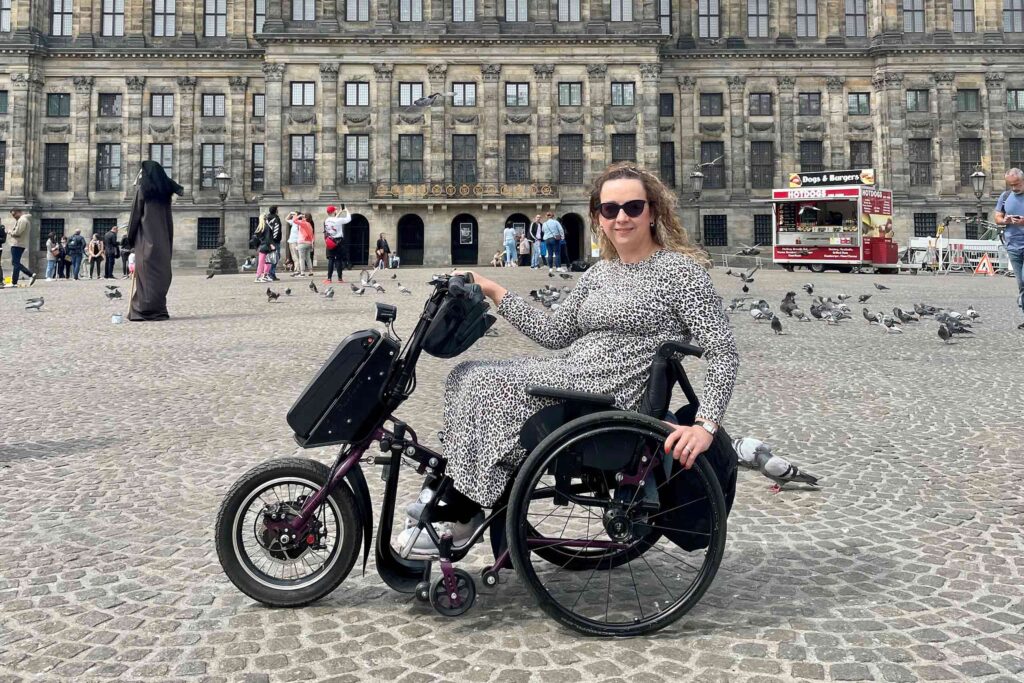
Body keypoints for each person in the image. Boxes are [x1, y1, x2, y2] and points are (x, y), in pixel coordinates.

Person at [395, 162, 740, 554]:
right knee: (466, 373)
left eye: (633, 207)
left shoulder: (681, 273)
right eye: (610, 210)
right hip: (574, 372)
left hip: (614, 390)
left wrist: (705, 425)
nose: (621, 217)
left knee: (487, 384)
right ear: (598, 217)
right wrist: (493, 289)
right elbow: (554, 333)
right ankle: (459, 492)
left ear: (653, 211)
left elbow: (723, 351)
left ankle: (463, 511)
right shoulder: (601, 273)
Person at [126, 160, 183, 321]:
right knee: (161, 277)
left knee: (145, 278)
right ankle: (158, 309)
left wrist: (129, 238)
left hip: (146, 241)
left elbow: (135, 216)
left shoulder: (143, 191)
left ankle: (143, 310)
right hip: (164, 241)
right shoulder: (165, 193)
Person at [993, 167, 1024, 329]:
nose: (1014, 188)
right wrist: (1006, 220)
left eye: (1016, 184)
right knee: (1021, 283)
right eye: (1010, 185)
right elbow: (997, 217)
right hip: (1013, 245)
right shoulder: (1005, 197)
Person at [8, 209, 37, 287]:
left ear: (19, 212)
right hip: (19, 244)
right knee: (16, 263)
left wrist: (10, 232)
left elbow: (18, 233)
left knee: (15, 263)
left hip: (18, 244)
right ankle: (14, 281)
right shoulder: (24, 220)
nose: (14, 216)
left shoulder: (22, 220)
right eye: (12, 215)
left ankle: (30, 274)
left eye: (14, 214)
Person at [324, 205, 352, 283]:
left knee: (331, 259)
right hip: (339, 241)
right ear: (333, 212)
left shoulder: (326, 220)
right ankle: (340, 278)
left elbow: (334, 219)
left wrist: (339, 212)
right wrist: (346, 210)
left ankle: (329, 278)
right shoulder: (338, 220)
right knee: (338, 260)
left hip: (330, 241)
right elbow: (348, 219)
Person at [253, 213, 274, 283]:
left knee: (263, 262)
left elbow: (255, 237)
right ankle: (262, 275)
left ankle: (261, 276)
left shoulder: (260, 227)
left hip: (262, 246)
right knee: (268, 262)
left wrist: (257, 246)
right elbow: (268, 238)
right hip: (266, 246)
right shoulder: (267, 226)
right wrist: (270, 244)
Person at [266, 206, 283, 281]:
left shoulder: (267, 218)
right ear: (276, 211)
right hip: (274, 241)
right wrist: (275, 240)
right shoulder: (276, 218)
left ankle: (270, 273)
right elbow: (276, 229)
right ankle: (271, 273)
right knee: (276, 257)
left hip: (268, 240)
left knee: (270, 257)